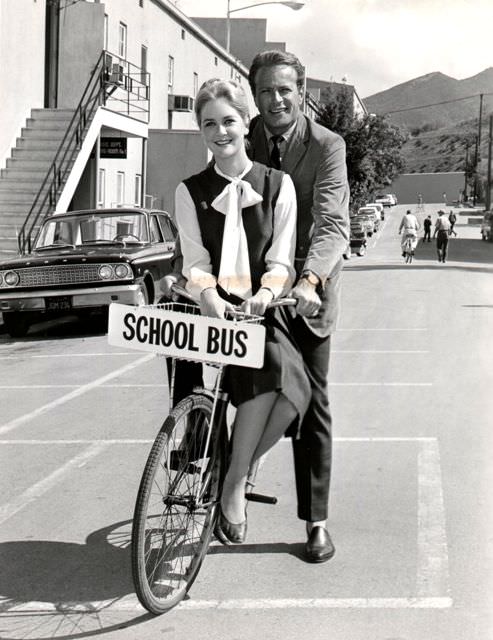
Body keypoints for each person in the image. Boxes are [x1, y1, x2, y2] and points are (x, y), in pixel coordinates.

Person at [173, 78, 311, 546]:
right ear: (201, 130)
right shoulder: (189, 191)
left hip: (260, 306)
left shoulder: (277, 185)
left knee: (296, 392)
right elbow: (194, 261)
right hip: (208, 308)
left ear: (246, 123)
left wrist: (266, 294)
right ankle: (234, 488)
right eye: (209, 123)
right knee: (265, 371)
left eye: (229, 121)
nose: (220, 131)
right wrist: (209, 295)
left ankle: (238, 469)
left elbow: (281, 259)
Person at [247, 50, 350, 563]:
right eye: (265, 90)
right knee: (220, 370)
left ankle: (316, 522)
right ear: (254, 95)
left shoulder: (328, 146)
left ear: (301, 90)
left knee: (312, 405)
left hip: (305, 295)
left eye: (284, 89)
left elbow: (332, 223)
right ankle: (211, 464)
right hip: (252, 287)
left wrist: (309, 279)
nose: (275, 99)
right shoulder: (240, 137)